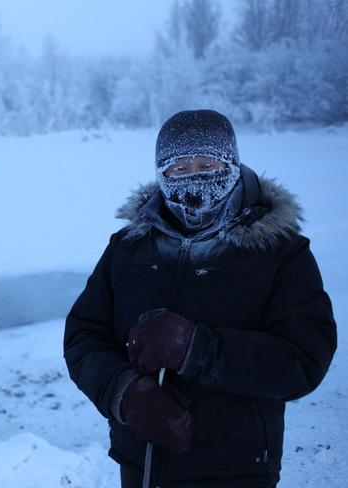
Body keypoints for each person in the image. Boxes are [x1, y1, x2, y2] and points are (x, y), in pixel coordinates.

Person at [63, 110, 337, 488]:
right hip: (140, 467)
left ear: (232, 164)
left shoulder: (280, 252)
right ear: (161, 173)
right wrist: (124, 393)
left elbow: (304, 360)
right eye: (179, 168)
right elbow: (83, 335)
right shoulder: (128, 248)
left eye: (208, 163)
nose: (194, 177)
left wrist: (197, 349)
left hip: (236, 470)